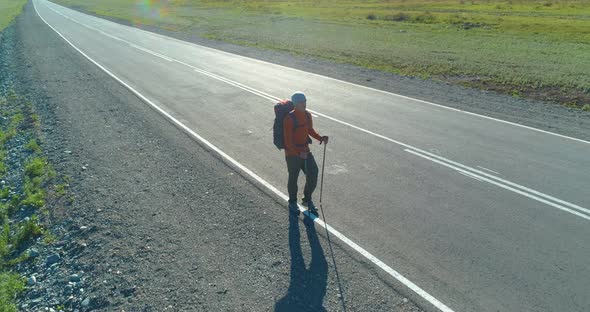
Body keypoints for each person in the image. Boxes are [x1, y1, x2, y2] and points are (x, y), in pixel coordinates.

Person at [283, 92, 328, 215]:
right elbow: (288, 141)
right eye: (301, 102)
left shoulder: (307, 115)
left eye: (305, 101)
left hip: (305, 151)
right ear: (295, 104)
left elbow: (309, 130)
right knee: (293, 177)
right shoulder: (289, 119)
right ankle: (292, 202)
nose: (304, 104)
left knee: (313, 173)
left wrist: (320, 138)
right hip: (292, 154)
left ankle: (306, 199)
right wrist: (298, 153)